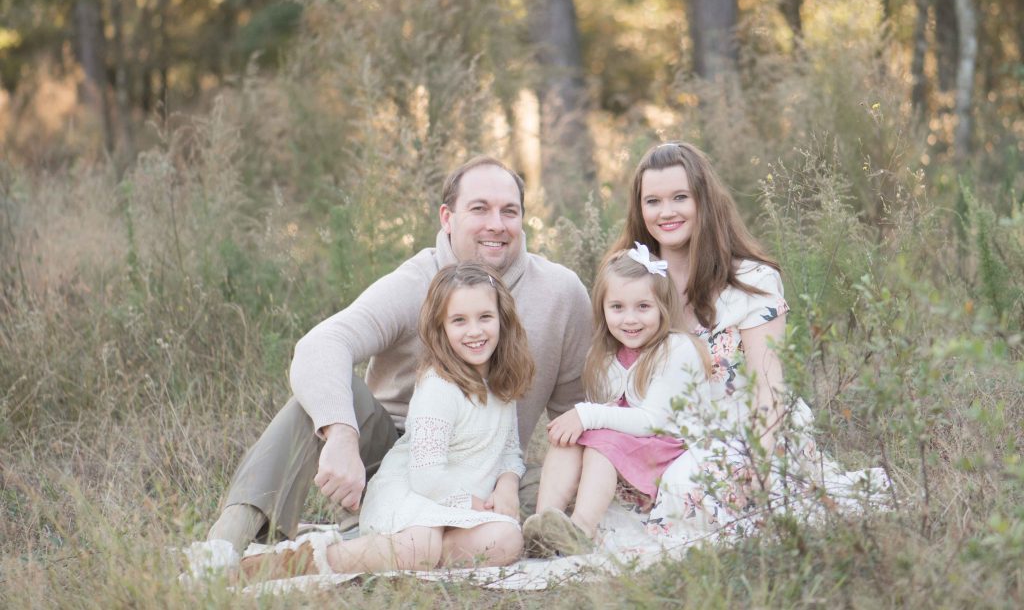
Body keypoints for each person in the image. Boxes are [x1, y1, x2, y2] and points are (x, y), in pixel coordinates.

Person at [204, 156, 592, 560]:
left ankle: (378, 549)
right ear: (447, 217)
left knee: (557, 487)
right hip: (393, 461)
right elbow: (323, 344)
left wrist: (521, 484)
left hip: (487, 466)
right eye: (479, 209)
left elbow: (575, 413)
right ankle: (227, 542)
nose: (496, 224)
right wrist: (340, 433)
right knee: (323, 401)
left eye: (509, 211)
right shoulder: (417, 282)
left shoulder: (561, 293)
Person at [614, 142, 886, 538]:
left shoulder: (751, 283)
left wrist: (758, 463)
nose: (666, 212)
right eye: (652, 201)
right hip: (665, 432)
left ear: (704, 201)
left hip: (747, 432)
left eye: (679, 197)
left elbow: (768, 390)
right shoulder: (633, 283)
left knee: (689, 487)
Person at [236, 263, 532, 579]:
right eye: (459, 321)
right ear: (441, 328)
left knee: (507, 539)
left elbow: (510, 450)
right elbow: (426, 478)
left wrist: (507, 486)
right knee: (422, 544)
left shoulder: (502, 384)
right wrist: (473, 503)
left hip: (458, 512)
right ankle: (298, 562)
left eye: (485, 317)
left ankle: (409, 555)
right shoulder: (440, 386)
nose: (475, 331)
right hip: (412, 496)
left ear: (503, 320)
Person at [521, 244, 711, 557]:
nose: (630, 319)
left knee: (599, 439)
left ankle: (580, 530)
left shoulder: (676, 349)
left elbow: (654, 421)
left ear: (663, 306)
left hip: (667, 446)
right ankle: (544, 525)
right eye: (618, 307)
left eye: (643, 307)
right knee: (569, 438)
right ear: (603, 309)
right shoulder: (606, 356)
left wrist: (586, 414)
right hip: (627, 445)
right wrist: (583, 421)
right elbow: (606, 412)